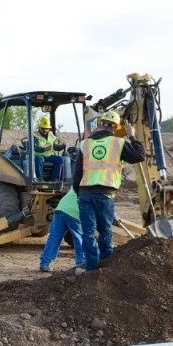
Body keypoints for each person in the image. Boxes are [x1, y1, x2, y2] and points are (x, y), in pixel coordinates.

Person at [72, 111, 145, 274]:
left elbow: (77, 175)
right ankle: (105, 267)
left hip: (85, 194)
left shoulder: (85, 144)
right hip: (105, 195)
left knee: (88, 233)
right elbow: (139, 156)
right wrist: (132, 136)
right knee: (105, 230)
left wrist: (79, 194)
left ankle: (91, 269)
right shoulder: (118, 143)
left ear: (100, 124)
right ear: (115, 128)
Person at [39, 187, 84, 272]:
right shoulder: (95, 189)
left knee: (54, 237)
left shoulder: (78, 183)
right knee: (79, 238)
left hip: (60, 209)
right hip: (74, 212)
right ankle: (81, 264)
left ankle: (44, 264)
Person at [33, 117, 66, 181]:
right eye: (43, 128)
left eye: (46, 128)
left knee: (60, 159)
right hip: (38, 156)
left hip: (49, 156)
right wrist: (44, 149)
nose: (45, 130)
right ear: (39, 128)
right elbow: (35, 147)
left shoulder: (51, 136)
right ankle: (40, 180)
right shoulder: (34, 136)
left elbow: (54, 146)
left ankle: (55, 179)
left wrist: (61, 146)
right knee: (39, 159)